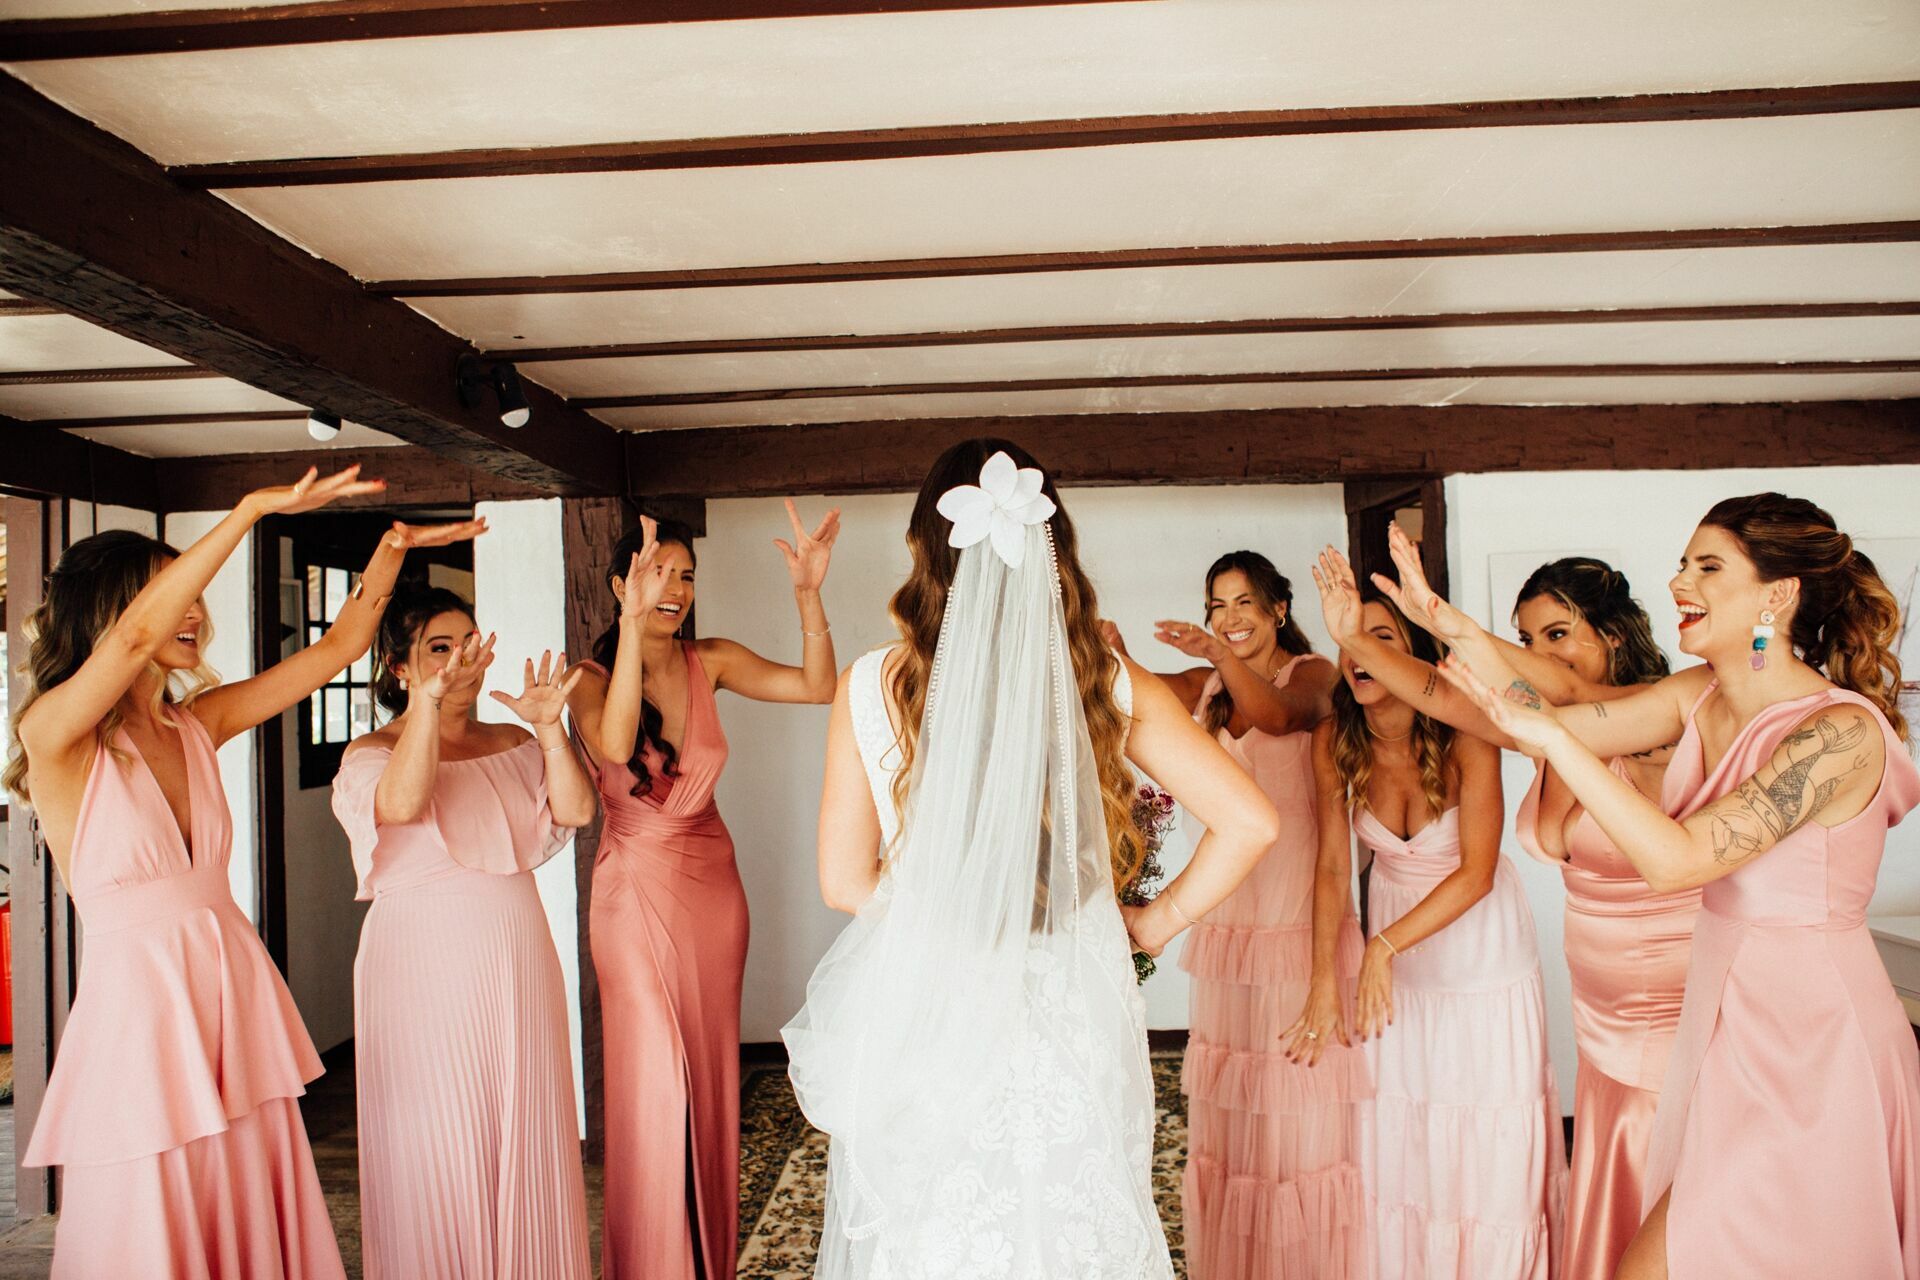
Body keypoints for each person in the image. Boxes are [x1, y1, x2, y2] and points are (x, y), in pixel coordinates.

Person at [784, 439, 1281, 1279]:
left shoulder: (869, 684)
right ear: (1054, 548)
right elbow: (1251, 822)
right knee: (1065, 1227)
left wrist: (947, 910)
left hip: (932, 1005)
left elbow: (843, 883)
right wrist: (1154, 923)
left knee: (942, 1234)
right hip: (1070, 1005)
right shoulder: (1101, 679)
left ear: (926, 550)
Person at [1431, 494, 1920, 1279]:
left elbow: (1680, 861)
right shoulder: (1701, 696)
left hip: (1818, 1044)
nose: (1679, 581)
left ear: (1777, 594)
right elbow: (1562, 723)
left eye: (1708, 566)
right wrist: (1450, 629)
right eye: (1684, 563)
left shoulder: (1841, 733)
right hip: (1731, 1032)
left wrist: (1550, 732)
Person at [3, 466, 442, 1277]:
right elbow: (132, 642)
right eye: (174, 595)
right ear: (112, 612)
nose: (196, 613)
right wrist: (250, 511)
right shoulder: (55, 735)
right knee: (153, 1205)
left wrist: (392, 551)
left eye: (195, 595)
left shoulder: (197, 724)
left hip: (229, 984)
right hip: (140, 1003)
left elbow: (339, 650)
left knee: (240, 1184)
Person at [1315, 535, 1697, 1280]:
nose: (1538, 655)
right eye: (1525, 640)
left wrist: (1438, 624)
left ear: (1613, 636)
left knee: (1668, 1179)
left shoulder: (1655, 725)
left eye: (1557, 634)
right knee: (1612, 1176)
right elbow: (1439, 696)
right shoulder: (1548, 733)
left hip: (1667, 998)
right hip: (1603, 1009)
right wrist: (1358, 639)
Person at [565, 503, 839, 1280]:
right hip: (632, 895)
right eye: (659, 573)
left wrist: (808, 594)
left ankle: (705, 1260)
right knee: (654, 1076)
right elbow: (617, 743)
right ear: (620, 584)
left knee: (709, 1079)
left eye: (687, 576)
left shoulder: (709, 660)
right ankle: (654, 1262)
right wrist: (630, 631)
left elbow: (818, 687)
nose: (678, 589)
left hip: (714, 890)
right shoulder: (585, 681)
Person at [1286, 590, 1565, 1279]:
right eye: (1350, 641)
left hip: (1479, 952)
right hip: (1397, 963)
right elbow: (1332, 865)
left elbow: (1476, 873)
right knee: (1402, 1121)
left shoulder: (1463, 733)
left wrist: (1382, 946)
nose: (1359, 654)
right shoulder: (1334, 740)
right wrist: (1323, 980)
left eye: (1379, 637)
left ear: (1412, 654)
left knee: (1485, 1119)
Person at [332, 586, 595, 1279]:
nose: (459, 661)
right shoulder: (370, 753)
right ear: (399, 667)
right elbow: (403, 802)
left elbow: (576, 810)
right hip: (419, 963)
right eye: (438, 649)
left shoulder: (512, 742)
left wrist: (549, 728)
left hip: (515, 951)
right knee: (437, 1131)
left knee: (522, 1115)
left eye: (468, 644)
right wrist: (427, 706)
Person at [1116, 552, 1362, 1280]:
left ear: (1279, 609)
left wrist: (1217, 653)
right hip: (1231, 929)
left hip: (1295, 923)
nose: (1229, 618)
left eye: (1244, 603)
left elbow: (1275, 715)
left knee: (1294, 1116)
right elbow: (1134, 693)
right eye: (1217, 605)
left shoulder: (1313, 675)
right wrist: (1112, 651)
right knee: (1239, 1125)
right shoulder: (1206, 686)